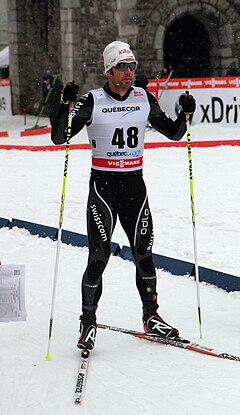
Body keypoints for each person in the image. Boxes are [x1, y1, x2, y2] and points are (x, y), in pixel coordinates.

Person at [51, 40, 196, 351]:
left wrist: (185, 112)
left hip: (134, 189)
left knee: (144, 254)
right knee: (99, 257)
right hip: (103, 190)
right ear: (108, 71)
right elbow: (58, 136)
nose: (129, 72)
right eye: (123, 67)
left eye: (133, 66)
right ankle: (88, 321)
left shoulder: (144, 98)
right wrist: (63, 104)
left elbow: (172, 132)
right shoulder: (92, 101)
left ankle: (151, 316)